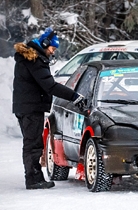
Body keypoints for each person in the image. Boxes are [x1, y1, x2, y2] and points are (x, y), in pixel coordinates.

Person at [12, 27, 86, 190]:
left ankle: (35, 177)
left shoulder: (30, 59)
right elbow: (50, 86)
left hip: (26, 107)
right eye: (52, 48)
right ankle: (33, 179)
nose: (53, 52)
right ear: (45, 44)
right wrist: (74, 96)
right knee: (33, 145)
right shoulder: (35, 61)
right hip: (31, 108)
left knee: (33, 143)